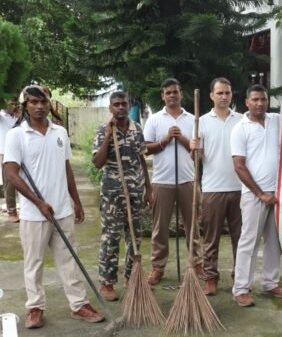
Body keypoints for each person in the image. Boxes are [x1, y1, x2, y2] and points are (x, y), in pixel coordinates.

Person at [3, 85, 104, 328]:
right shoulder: (17, 135)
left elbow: (66, 168)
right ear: (25, 106)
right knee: (34, 262)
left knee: (69, 258)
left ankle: (79, 305)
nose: (39, 106)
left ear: (50, 104)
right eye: (33, 102)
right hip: (33, 213)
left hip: (62, 210)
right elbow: (11, 173)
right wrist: (38, 202)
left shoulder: (60, 132)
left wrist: (76, 201)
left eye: (43, 102)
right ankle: (35, 307)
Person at [231, 85, 282, 307]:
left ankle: (270, 282)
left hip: (278, 193)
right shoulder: (241, 129)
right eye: (255, 99)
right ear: (246, 102)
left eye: (263, 99)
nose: (260, 103)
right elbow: (239, 166)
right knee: (249, 242)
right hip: (255, 195)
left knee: (274, 242)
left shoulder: (276, 120)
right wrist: (260, 193)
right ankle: (241, 289)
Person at [91, 91, 152, 301]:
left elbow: (142, 159)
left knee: (135, 237)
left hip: (135, 192)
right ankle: (107, 283)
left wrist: (149, 189)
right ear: (110, 108)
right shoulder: (102, 131)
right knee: (111, 238)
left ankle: (131, 277)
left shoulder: (137, 130)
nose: (120, 107)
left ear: (128, 105)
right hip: (112, 194)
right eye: (116, 104)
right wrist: (109, 135)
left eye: (123, 104)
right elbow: (98, 163)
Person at [190, 77, 244, 296]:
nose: (224, 96)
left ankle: (239, 277)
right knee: (211, 238)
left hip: (241, 188)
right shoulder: (200, 122)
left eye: (227, 93)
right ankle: (211, 277)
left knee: (240, 238)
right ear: (211, 95)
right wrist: (194, 147)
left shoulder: (241, 120)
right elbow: (198, 158)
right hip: (213, 188)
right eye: (220, 93)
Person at [143, 78, 200, 285]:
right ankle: (158, 266)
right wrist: (166, 140)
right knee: (160, 227)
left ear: (181, 94)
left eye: (175, 92)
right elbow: (145, 148)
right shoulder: (155, 120)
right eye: (168, 93)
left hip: (187, 179)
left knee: (191, 224)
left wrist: (181, 138)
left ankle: (197, 263)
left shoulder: (192, 119)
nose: (172, 95)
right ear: (162, 96)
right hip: (162, 180)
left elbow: (197, 153)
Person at [0, 98, 20, 222]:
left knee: (26, 182)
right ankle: (12, 211)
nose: (13, 106)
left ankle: (26, 209)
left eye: (15, 104)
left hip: (22, 153)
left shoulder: (19, 117)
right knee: (9, 184)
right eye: (11, 103)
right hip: (6, 154)